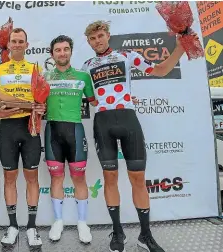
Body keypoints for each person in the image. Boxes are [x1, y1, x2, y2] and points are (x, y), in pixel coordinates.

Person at [81, 20, 198, 252]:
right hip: (103, 122)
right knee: (110, 178)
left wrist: (180, 48)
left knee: (138, 179)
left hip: (128, 120)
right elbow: (91, 99)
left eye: (101, 35)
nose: (98, 41)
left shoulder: (126, 55)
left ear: (108, 35)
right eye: (93, 38)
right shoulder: (86, 66)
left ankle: (146, 235)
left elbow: (161, 70)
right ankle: (118, 231)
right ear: (88, 41)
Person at [0, 28, 46, 249]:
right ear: (8, 45)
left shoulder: (35, 68)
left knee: (32, 177)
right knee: (9, 177)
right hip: (8, 127)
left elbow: (41, 98)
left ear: (26, 44)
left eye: (21, 41)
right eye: (14, 41)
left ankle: (32, 227)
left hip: (30, 126)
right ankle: (13, 226)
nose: (17, 44)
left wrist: (41, 107)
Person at [44, 35, 97, 243]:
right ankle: (58, 221)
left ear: (71, 52)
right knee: (56, 177)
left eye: (66, 49)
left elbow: (95, 101)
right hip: (52, 132)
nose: (62, 53)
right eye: (58, 50)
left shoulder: (83, 77)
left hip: (75, 131)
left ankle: (82, 223)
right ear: (52, 54)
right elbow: (38, 104)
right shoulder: (45, 76)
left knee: (79, 178)